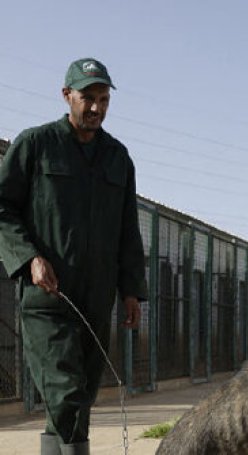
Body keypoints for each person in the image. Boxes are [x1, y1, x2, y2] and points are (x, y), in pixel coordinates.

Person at [0, 58, 146, 455]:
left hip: (97, 299)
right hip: (48, 297)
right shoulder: (35, 145)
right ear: (67, 95)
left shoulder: (118, 158)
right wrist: (29, 256)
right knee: (65, 393)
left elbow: (127, 230)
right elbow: (3, 208)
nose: (96, 108)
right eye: (87, 98)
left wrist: (131, 290)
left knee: (79, 400)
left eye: (103, 99)